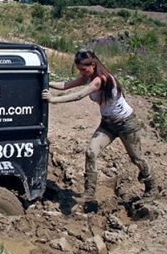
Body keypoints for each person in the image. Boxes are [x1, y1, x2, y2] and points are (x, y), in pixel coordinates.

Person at [42, 49, 160, 212]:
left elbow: (78, 95)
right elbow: (66, 85)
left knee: (137, 158)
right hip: (108, 124)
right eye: (79, 70)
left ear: (93, 65)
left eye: (84, 69)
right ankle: (89, 193)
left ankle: (152, 187)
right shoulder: (89, 77)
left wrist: (53, 100)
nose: (81, 73)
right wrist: (44, 81)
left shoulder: (101, 80)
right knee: (91, 152)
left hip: (126, 123)